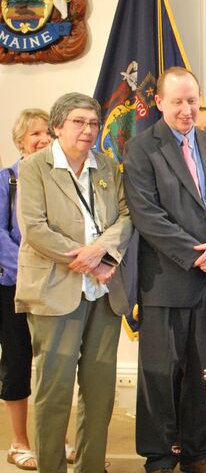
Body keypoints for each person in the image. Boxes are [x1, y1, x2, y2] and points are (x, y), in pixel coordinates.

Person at [123, 67, 206, 473]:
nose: (186, 109)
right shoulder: (141, 149)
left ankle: (196, 451)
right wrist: (198, 254)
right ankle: (159, 456)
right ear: (159, 102)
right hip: (165, 282)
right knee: (159, 375)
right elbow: (147, 215)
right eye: (177, 101)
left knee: (201, 374)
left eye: (192, 100)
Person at [15, 93, 133, 473]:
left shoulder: (108, 168)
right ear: (58, 126)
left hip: (105, 293)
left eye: (94, 124)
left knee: (99, 392)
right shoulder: (35, 167)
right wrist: (85, 259)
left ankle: (91, 466)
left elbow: (127, 217)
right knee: (55, 390)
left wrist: (101, 252)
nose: (88, 130)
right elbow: (34, 229)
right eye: (79, 122)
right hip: (55, 291)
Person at [1, 108, 50, 471]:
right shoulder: (7, 180)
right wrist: (31, 271)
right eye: (35, 134)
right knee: (17, 363)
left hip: (55, 289)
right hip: (14, 287)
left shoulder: (59, 178)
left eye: (48, 132)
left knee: (54, 366)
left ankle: (53, 439)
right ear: (21, 142)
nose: (43, 139)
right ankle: (19, 442)